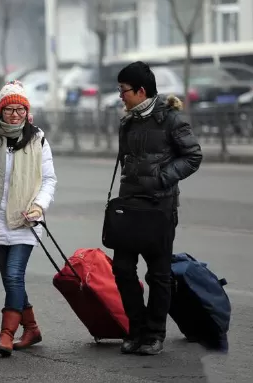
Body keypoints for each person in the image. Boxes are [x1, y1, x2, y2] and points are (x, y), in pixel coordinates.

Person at [112, 61, 202, 356]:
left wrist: (161, 178)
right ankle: (135, 330)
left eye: (123, 90)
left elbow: (192, 156)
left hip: (159, 207)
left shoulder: (171, 120)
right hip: (129, 206)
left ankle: (154, 334)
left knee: (158, 273)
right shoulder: (128, 122)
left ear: (140, 91)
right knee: (122, 269)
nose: (120, 96)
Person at [0, 81, 57, 357]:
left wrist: (39, 207)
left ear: (27, 110)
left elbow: (49, 180)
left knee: (14, 275)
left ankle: (6, 334)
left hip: (25, 219)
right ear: (1, 111)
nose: (15, 114)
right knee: (11, 281)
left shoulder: (38, 138)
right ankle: (31, 328)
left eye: (20, 109)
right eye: (10, 109)